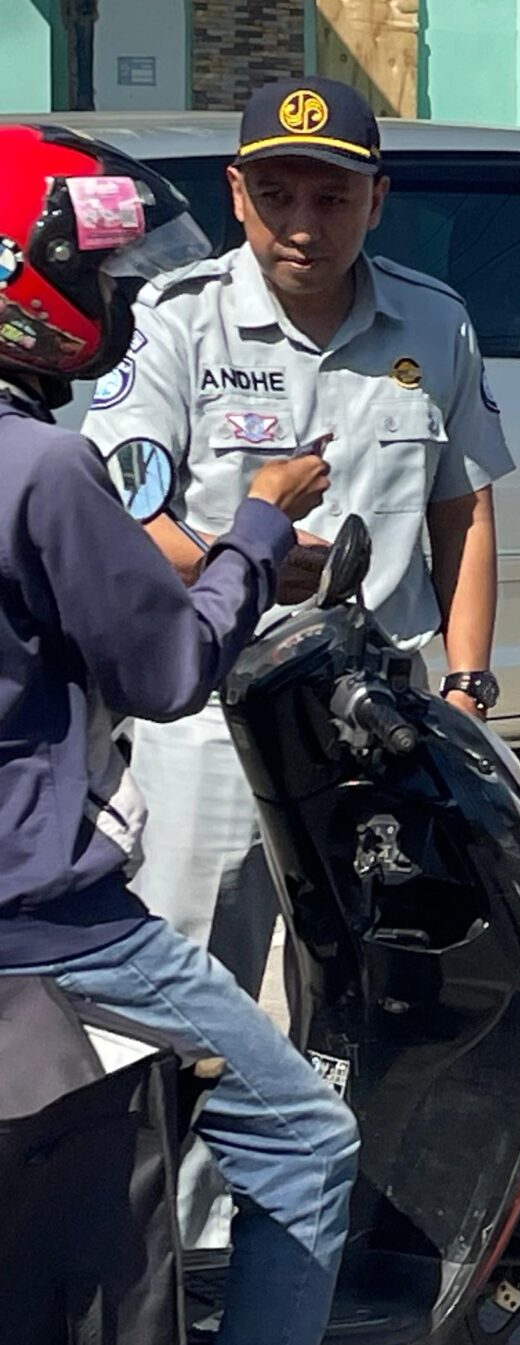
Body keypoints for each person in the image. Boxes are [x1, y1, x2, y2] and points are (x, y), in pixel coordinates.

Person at [79, 75, 515, 1245]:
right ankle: (178, 1257)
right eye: (276, 196)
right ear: (237, 194)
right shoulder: (175, 318)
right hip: (217, 719)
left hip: (380, 725)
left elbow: (465, 510)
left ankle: (346, 1244)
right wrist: (242, 555)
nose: (303, 226)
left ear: (378, 199)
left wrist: (467, 686)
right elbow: (128, 512)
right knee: (193, 999)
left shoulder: (434, 323)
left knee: (381, 994)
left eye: (331, 198)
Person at [0, 123, 356, 1345]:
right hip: (50, 921)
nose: (114, 298)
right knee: (304, 1139)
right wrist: (258, 528)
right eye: (100, 276)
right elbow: (166, 672)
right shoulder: (43, 467)